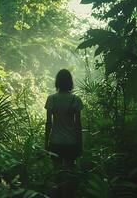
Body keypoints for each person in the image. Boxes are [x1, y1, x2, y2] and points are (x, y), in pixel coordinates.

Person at [44, 69, 83, 198]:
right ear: (70, 82)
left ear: (57, 82)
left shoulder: (52, 99)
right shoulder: (75, 100)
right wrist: (80, 144)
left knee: (57, 175)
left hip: (55, 142)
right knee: (70, 175)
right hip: (71, 142)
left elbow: (48, 123)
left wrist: (46, 143)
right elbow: (78, 124)